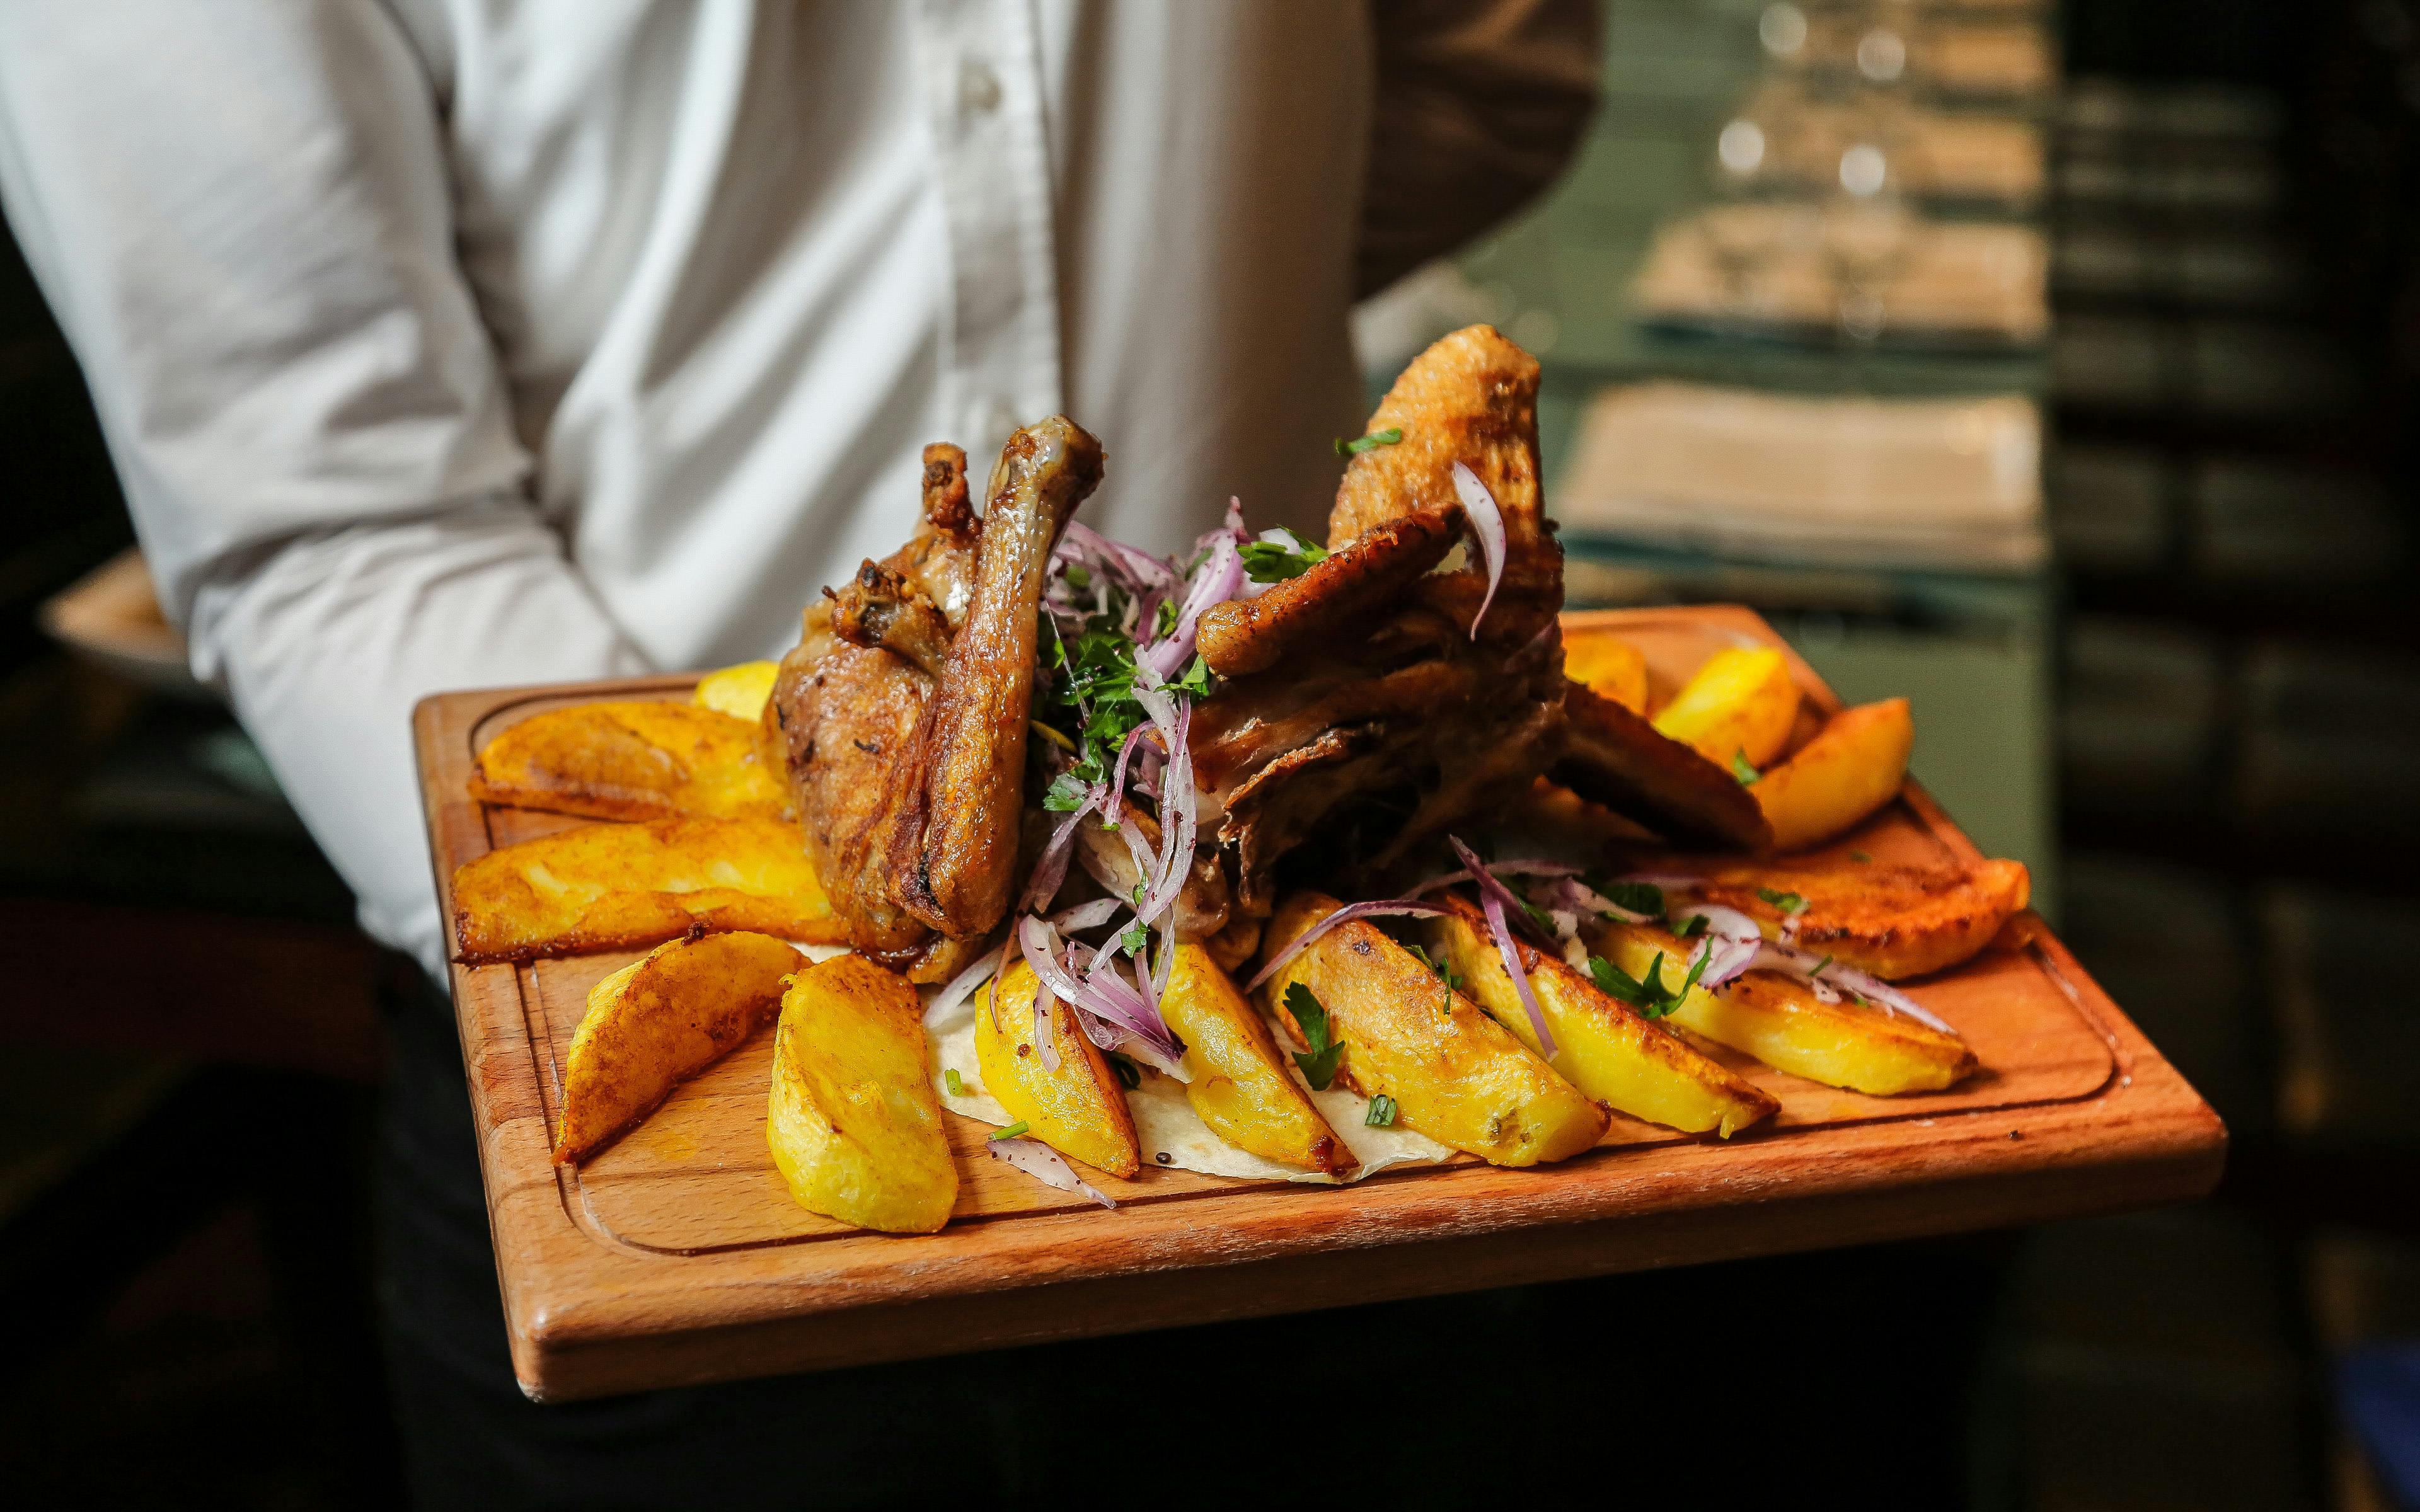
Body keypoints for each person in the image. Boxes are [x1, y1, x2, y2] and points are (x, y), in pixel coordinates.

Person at [0, 3, 1599, 1506]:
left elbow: (1489, 74)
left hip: (1351, 1072)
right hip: (685, 1161)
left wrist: (1217, 243)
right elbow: (330, 510)